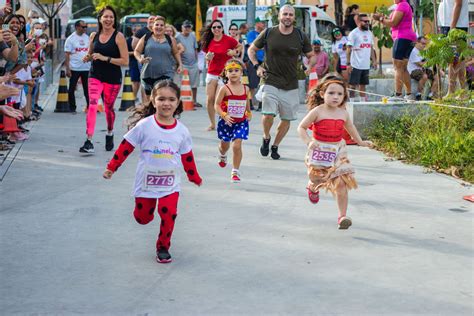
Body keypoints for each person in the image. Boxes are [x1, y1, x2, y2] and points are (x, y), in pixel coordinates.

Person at [103, 80, 202, 264]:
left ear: (178, 102)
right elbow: (126, 147)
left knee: (169, 213)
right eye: (161, 99)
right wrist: (112, 167)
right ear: (153, 100)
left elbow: (187, 156)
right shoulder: (144, 125)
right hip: (146, 183)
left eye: (172, 99)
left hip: (170, 184)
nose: (166, 103)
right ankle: (141, 213)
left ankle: (163, 247)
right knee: (143, 218)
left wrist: (194, 176)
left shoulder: (182, 131)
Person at [297, 74, 373, 229]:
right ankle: (312, 186)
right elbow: (301, 127)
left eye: (339, 94)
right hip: (319, 148)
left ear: (344, 96)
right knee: (318, 178)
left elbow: (351, 128)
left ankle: (342, 216)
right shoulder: (317, 111)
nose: (335, 97)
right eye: (331, 93)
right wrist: (308, 141)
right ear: (322, 94)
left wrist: (361, 142)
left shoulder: (343, 113)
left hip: (338, 150)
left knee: (341, 183)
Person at [248, 5, 313, 160]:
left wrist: (309, 66)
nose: (288, 17)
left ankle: (275, 145)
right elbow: (251, 50)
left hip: (290, 83)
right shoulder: (269, 32)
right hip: (270, 78)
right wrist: (257, 66)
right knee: (268, 113)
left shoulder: (300, 35)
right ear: (279, 16)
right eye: (285, 14)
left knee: (286, 119)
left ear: (293, 18)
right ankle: (266, 137)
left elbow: (311, 55)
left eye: (291, 14)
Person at [80, 5, 129, 154]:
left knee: (108, 108)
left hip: (112, 78)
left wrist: (105, 58)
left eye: (111, 17)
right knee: (92, 105)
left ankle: (110, 132)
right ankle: (89, 140)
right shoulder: (93, 35)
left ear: (114, 20)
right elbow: (90, 53)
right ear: (100, 19)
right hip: (95, 75)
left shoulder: (118, 37)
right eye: (105, 16)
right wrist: (87, 57)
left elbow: (125, 61)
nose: (108, 19)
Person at [214, 59, 251, 183]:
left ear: (241, 73)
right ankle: (222, 154)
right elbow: (216, 105)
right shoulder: (224, 88)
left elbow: (246, 103)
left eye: (236, 70)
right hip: (226, 121)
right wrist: (224, 115)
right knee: (225, 145)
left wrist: (249, 113)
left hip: (241, 121)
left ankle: (235, 171)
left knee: (237, 145)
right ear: (225, 73)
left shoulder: (246, 89)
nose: (233, 73)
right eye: (230, 71)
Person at [201, 19, 241, 131]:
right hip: (211, 72)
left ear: (223, 28)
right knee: (209, 99)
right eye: (214, 27)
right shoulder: (208, 41)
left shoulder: (228, 40)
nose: (216, 29)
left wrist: (234, 52)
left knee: (220, 99)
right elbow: (205, 56)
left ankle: (224, 121)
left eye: (219, 27)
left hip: (224, 74)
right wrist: (207, 58)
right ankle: (212, 123)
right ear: (211, 29)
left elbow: (240, 47)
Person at [374, 0, 417, 101]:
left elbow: (393, 23)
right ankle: (409, 94)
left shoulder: (402, 5)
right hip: (408, 38)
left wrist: (380, 19)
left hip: (402, 37)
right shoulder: (403, 5)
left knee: (397, 67)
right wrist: (383, 17)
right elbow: (392, 21)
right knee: (403, 67)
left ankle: (398, 95)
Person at [134, 16, 183, 104]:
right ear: (153, 26)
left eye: (161, 25)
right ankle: (151, 116)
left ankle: (164, 116)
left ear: (164, 28)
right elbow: (137, 51)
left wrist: (180, 64)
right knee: (150, 102)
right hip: (147, 74)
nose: (159, 27)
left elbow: (176, 52)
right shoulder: (146, 37)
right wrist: (140, 59)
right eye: (157, 25)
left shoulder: (170, 39)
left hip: (166, 74)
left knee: (161, 98)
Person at [437, 0, 469, 94]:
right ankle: (463, 92)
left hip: (455, 26)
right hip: (447, 25)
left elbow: (458, 4)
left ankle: (451, 92)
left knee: (453, 59)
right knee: (459, 60)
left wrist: (452, 27)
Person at [346, 14, 377, 102]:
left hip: (365, 65)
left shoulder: (369, 33)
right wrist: (348, 64)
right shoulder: (354, 33)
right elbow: (348, 49)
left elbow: (371, 48)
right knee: (353, 85)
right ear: (359, 22)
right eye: (365, 21)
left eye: (368, 21)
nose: (367, 23)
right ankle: (351, 103)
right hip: (355, 64)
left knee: (363, 85)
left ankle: (362, 103)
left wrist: (374, 61)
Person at [64, 20, 91, 112]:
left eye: (85, 27)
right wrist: (67, 69)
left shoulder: (87, 38)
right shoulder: (70, 39)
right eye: (83, 27)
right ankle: (72, 107)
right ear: (77, 27)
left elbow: (90, 51)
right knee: (72, 88)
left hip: (86, 68)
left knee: (87, 89)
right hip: (74, 68)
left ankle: (90, 107)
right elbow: (67, 54)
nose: (85, 29)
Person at [176, 20, 201, 107]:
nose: (187, 29)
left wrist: (197, 62)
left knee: (194, 84)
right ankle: (181, 101)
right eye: (185, 27)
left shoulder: (193, 36)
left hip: (193, 63)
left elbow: (195, 49)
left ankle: (194, 101)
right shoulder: (177, 37)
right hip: (183, 63)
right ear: (182, 27)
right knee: (183, 84)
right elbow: (176, 50)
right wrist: (179, 63)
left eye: (189, 27)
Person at [245, 18, 265, 110]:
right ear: (257, 23)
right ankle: (250, 104)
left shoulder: (265, 33)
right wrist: (261, 47)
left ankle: (261, 105)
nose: (264, 24)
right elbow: (251, 46)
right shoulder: (251, 34)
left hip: (264, 62)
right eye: (262, 22)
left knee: (263, 84)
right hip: (254, 62)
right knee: (252, 85)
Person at [125, 26, 141, 101]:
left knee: (141, 82)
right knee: (135, 81)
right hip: (133, 62)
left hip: (142, 62)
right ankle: (133, 97)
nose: (137, 32)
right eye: (135, 30)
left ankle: (135, 97)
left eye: (138, 30)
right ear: (132, 31)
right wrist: (136, 53)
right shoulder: (128, 40)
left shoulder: (142, 39)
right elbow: (125, 53)